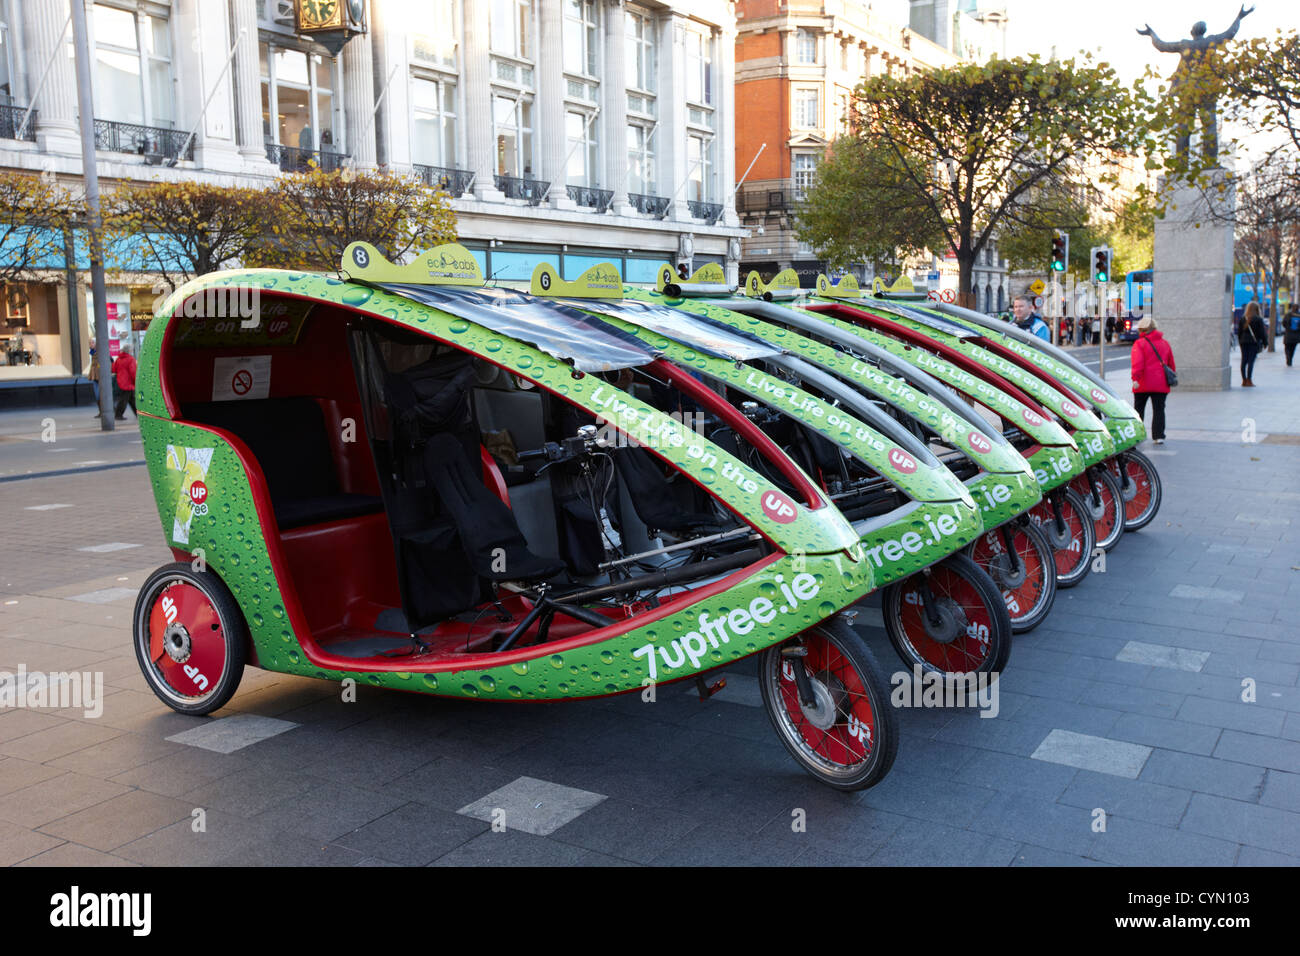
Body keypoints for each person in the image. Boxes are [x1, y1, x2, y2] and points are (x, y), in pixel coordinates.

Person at [1130, 316, 1175, 445]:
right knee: (1159, 410)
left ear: (1142, 330)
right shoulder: (1165, 343)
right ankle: (1158, 436)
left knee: (1139, 410)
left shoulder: (1140, 344)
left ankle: (1137, 435)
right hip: (1160, 383)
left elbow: (1138, 363)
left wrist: (1135, 379)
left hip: (1142, 383)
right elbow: (1171, 364)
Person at [1237, 301, 1267, 386]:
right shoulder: (1258, 319)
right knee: (1251, 361)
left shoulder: (1243, 318)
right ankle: (1249, 380)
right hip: (1253, 342)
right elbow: (1262, 333)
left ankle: (1244, 380)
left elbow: (1239, 332)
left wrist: (1240, 341)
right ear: (1257, 309)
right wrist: (1265, 342)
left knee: (1244, 361)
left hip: (1243, 342)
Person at [112, 345, 137, 420]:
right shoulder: (131, 359)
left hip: (121, 382)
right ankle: (118, 414)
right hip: (128, 383)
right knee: (124, 400)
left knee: (131, 399)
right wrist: (136, 381)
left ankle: (138, 414)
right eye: (132, 350)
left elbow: (113, 369)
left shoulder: (118, 359)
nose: (132, 351)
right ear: (129, 351)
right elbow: (133, 372)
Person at [1283, 303, 1300, 368]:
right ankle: (1290, 359)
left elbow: (1284, 323)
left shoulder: (1288, 315)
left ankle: (1288, 358)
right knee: (1293, 348)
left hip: (1288, 335)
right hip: (1296, 336)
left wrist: (1288, 328)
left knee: (1287, 348)